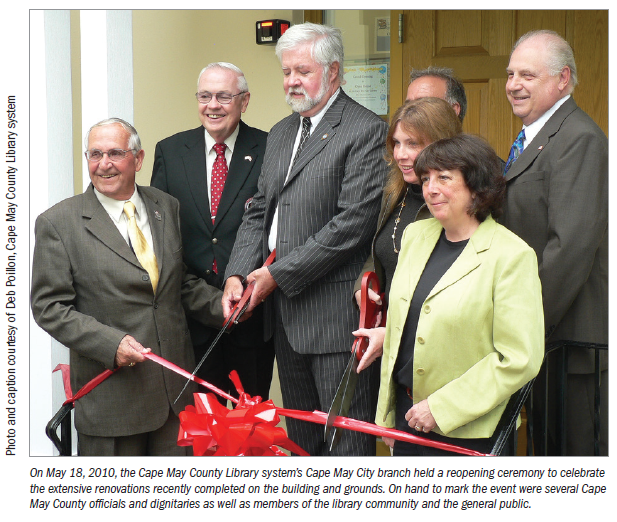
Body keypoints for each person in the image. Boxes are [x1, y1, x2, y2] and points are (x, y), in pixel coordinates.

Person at [222, 22, 389, 456]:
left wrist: (275, 274)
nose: (291, 81)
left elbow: (351, 225)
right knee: (301, 447)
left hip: (336, 320)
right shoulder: (279, 133)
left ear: (333, 73)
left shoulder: (365, 130)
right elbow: (260, 209)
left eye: (302, 71)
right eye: (286, 72)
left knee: (346, 448)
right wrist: (238, 274)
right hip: (286, 321)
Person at [31, 118, 225, 456]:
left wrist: (223, 306)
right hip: (113, 401)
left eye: (115, 153)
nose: (103, 164)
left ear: (138, 159)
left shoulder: (166, 206)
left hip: (175, 401)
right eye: (95, 154)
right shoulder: (58, 223)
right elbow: (50, 308)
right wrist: (111, 343)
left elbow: (174, 283)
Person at [375, 134, 544, 456]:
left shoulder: (511, 255)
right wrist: (389, 415)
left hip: (470, 428)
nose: (430, 188)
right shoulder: (415, 235)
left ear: (476, 186)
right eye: (426, 179)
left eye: (444, 178)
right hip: (408, 417)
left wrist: (440, 408)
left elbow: (518, 358)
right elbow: (415, 317)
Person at [502, 30, 608, 456]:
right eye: (510, 73)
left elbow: (570, 248)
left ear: (562, 79)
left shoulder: (578, 139)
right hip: (542, 343)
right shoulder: (536, 135)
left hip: (568, 343)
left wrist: (521, 325)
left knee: (571, 465)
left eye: (527, 74)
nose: (513, 84)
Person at [151, 63, 274, 402]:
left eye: (223, 96)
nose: (213, 105)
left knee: (247, 426)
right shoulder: (171, 151)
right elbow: (161, 235)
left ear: (244, 101)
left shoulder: (270, 149)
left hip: (250, 315)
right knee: (199, 429)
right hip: (191, 320)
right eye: (205, 96)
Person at [352, 97, 462, 373]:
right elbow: (379, 249)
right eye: (397, 143)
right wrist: (362, 287)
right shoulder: (393, 190)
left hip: (435, 351)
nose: (401, 154)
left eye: (413, 144)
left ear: (441, 143)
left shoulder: (455, 205)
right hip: (389, 344)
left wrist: (391, 335)